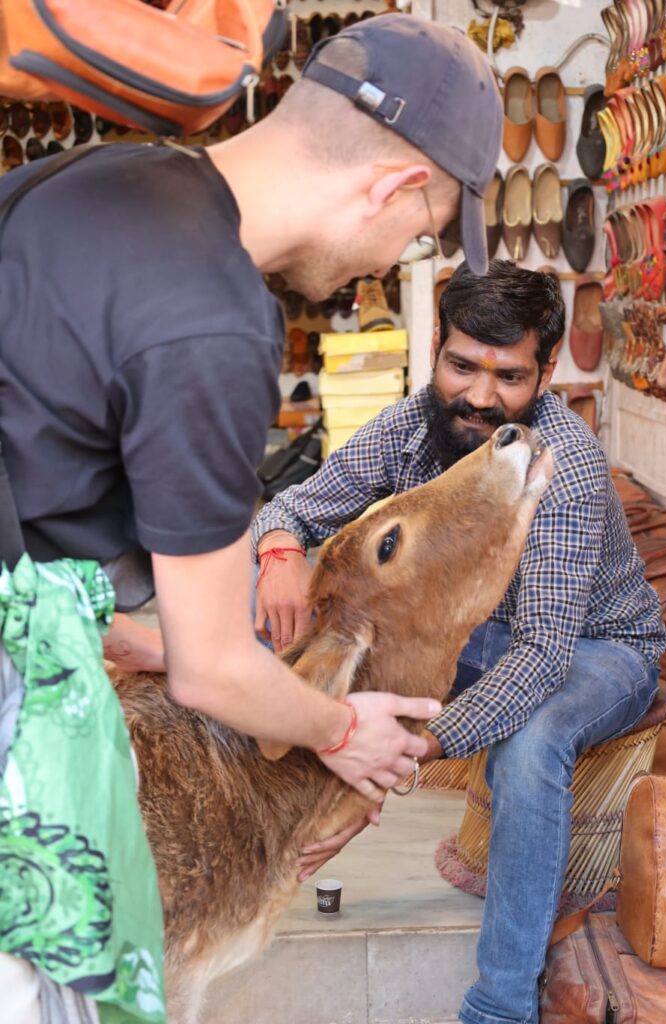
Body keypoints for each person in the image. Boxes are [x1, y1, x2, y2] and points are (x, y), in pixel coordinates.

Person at [0, 16, 503, 1024]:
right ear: (390, 187)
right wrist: (338, 729)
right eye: (417, 229)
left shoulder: (93, 181)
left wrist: (123, 636)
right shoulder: (214, 318)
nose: (389, 256)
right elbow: (214, 671)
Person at [252, 261, 666, 1024]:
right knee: (294, 640)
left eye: (508, 375)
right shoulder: (414, 424)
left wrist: (410, 747)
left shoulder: (562, 467)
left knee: (531, 740)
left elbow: (542, 657)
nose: (479, 396)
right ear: (434, 351)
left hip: (595, 646)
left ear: (545, 370)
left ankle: (501, 1006)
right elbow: (299, 504)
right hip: (480, 637)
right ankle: (256, 833)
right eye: (460, 365)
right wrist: (279, 550)